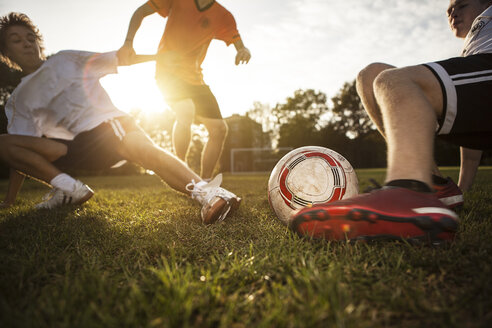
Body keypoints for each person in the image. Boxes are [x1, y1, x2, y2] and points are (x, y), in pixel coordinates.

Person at [0, 12, 240, 225]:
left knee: (145, 152)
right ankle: (67, 188)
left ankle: (209, 194)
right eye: (17, 40)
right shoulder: (19, 99)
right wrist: (10, 200)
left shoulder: (64, 60)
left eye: (30, 38)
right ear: (6, 52)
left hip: (106, 127)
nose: (27, 44)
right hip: (71, 150)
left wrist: (157, 58)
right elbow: (21, 154)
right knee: (5, 143)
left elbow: (118, 58)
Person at [291, 0, 492, 243]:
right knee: (371, 76)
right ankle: (432, 185)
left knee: (394, 81)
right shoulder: (473, 46)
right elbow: (471, 119)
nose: (453, 14)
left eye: (461, 5)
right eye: (449, 10)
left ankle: (410, 194)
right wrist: (460, 189)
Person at [118, 0, 251, 181]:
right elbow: (140, 11)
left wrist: (242, 50)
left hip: (196, 79)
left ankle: (204, 182)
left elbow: (238, 41)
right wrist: (128, 43)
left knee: (219, 129)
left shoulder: (224, 16)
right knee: (186, 111)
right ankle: (180, 172)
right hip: (168, 73)